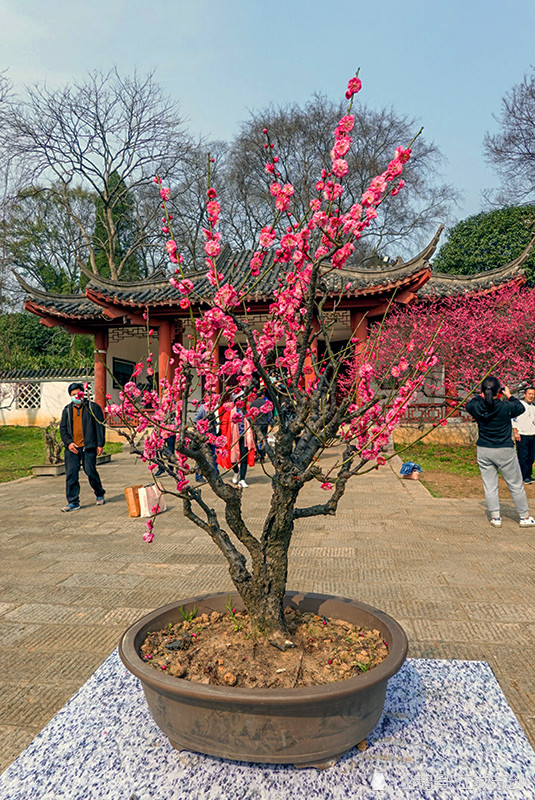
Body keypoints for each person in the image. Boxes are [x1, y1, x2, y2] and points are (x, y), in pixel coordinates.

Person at [466, 376, 535, 528]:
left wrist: (482, 394)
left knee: (490, 485)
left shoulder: (477, 407)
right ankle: (524, 517)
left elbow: (470, 403)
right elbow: (520, 407)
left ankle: (495, 517)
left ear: (483, 392)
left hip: (484, 449)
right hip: (504, 450)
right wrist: (509, 395)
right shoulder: (506, 407)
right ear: (499, 392)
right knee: (515, 484)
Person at [59, 383, 106, 512]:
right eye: (73, 394)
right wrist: (69, 443)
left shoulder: (92, 407)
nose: (76, 396)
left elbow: (99, 426)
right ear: (70, 396)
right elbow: (62, 429)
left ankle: (99, 492)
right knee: (71, 474)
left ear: (83, 393)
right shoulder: (67, 410)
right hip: (72, 448)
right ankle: (73, 501)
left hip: (88, 447)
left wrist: (100, 444)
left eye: (78, 394)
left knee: (90, 471)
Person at [218, 389, 255, 488]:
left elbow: (252, 422)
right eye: (241, 397)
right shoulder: (229, 412)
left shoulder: (246, 409)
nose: (243, 399)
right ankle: (236, 471)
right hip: (232, 439)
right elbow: (224, 426)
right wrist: (224, 439)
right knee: (232, 459)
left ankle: (242, 479)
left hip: (244, 438)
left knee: (244, 458)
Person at [512, 386, 535, 484]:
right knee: (523, 456)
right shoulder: (519, 405)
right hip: (522, 434)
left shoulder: (533, 407)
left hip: (532, 434)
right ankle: (523, 476)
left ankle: (529, 475)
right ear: (525, 394)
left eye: (533, 394)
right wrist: (515, 432)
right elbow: (514, 418)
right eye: (529, 394)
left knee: (531, 456)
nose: (531, 396)